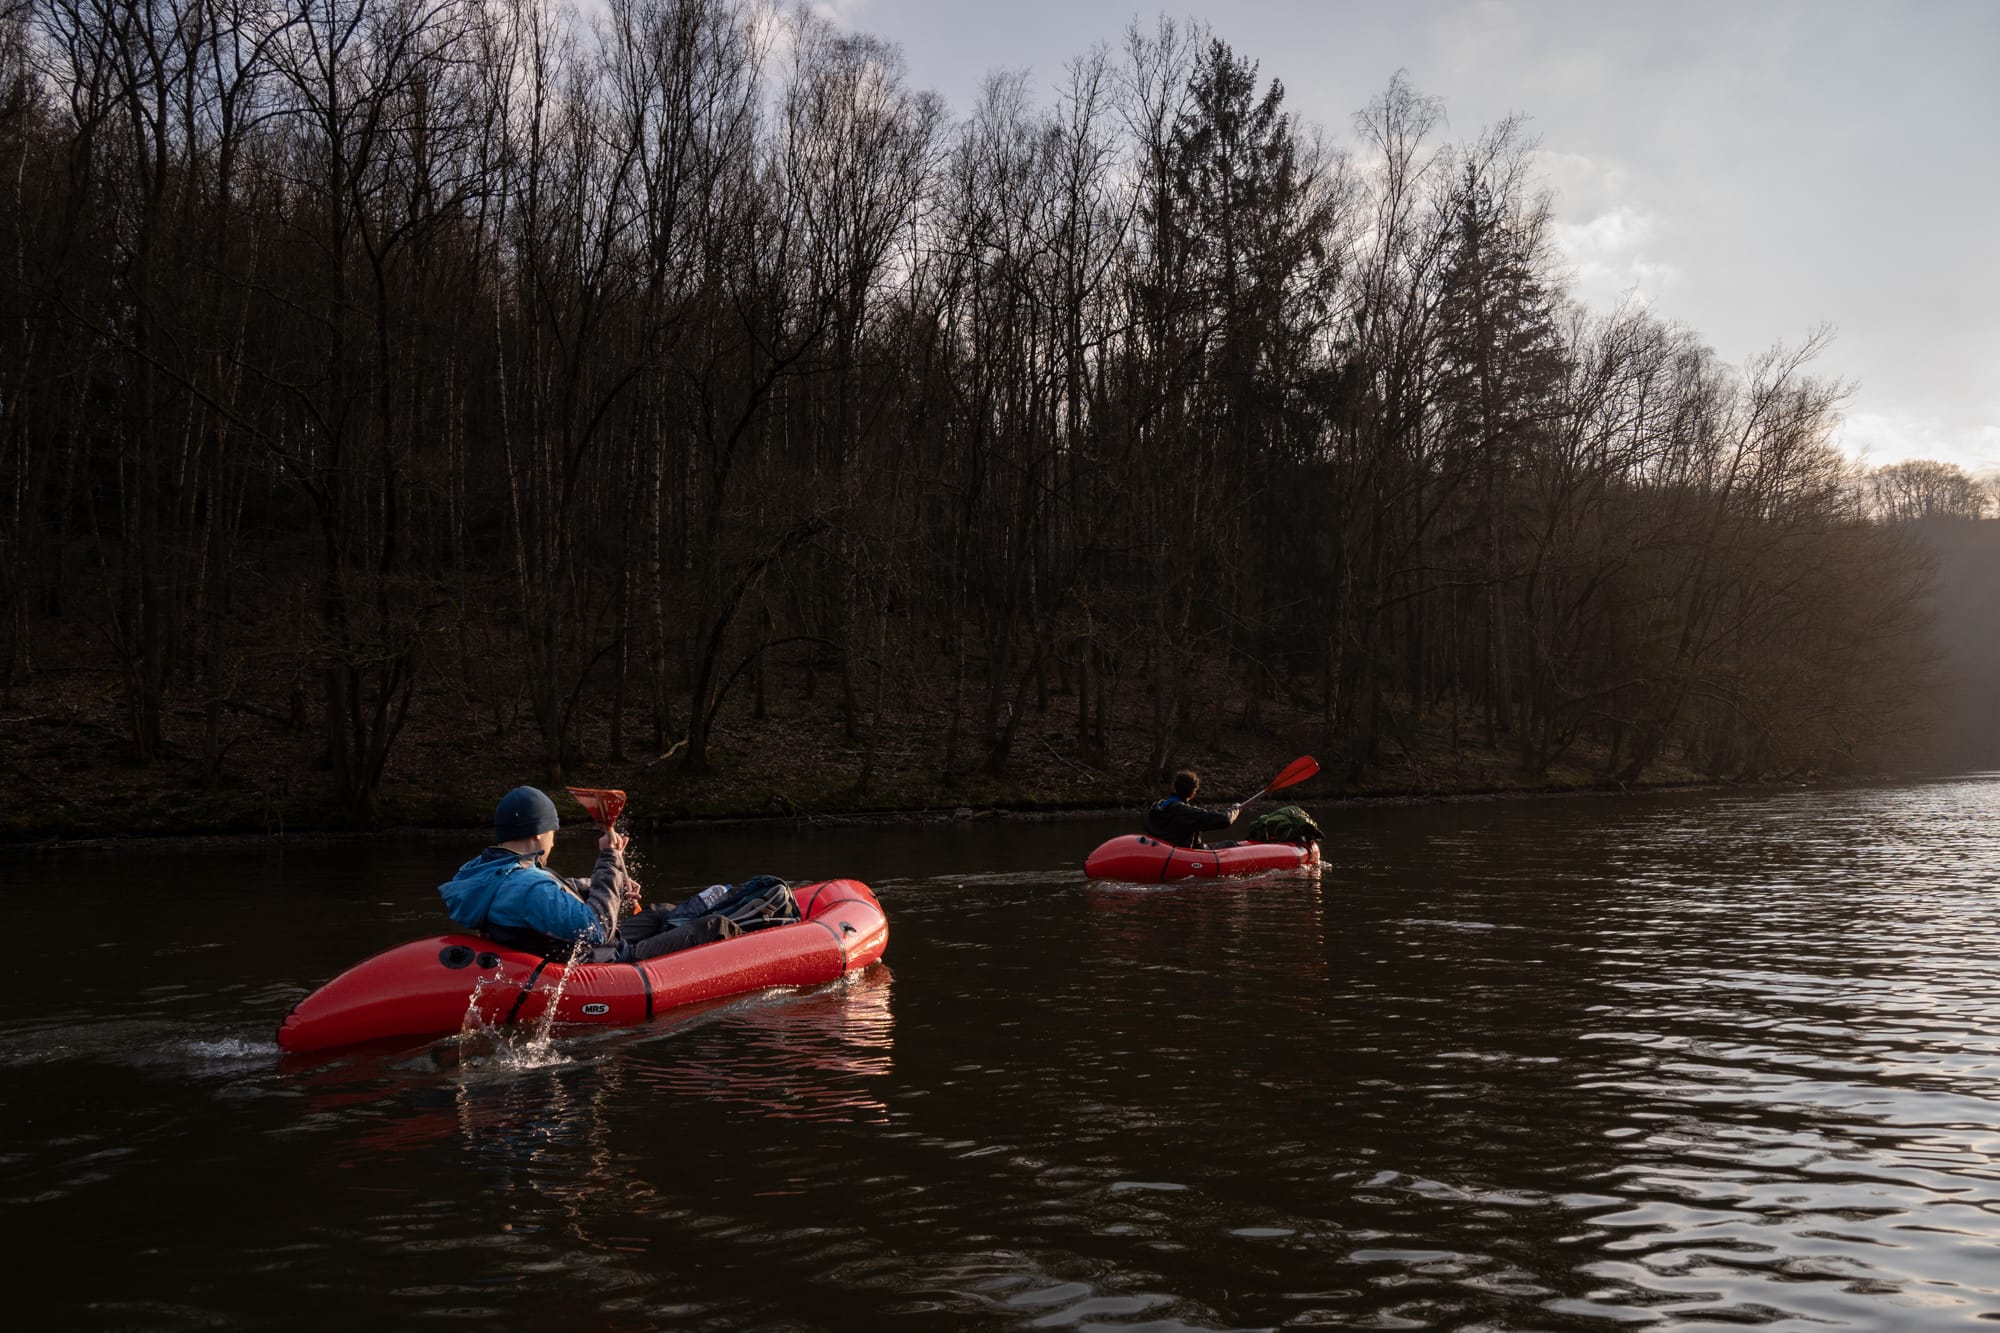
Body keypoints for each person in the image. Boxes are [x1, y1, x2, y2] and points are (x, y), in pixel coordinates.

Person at [438, 786, 738, 963]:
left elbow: (555, 891)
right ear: (540, 833)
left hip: (574, 947)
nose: (553, 841)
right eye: (552, 833)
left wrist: (612, 880)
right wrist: (609, 858)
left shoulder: (489, 870)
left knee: (660, 914)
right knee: (715, 924)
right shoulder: (529, 886)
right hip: (600, 960)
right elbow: (597, 931)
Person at [1142, 769, 1240, 848]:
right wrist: (1235, 809)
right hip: (1180, 856)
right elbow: (1225, 819)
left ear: (1174, 788)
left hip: (1161, 851)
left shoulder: (1158, 807)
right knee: (1231, 844)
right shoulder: (1185, 812)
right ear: (1193, 793)